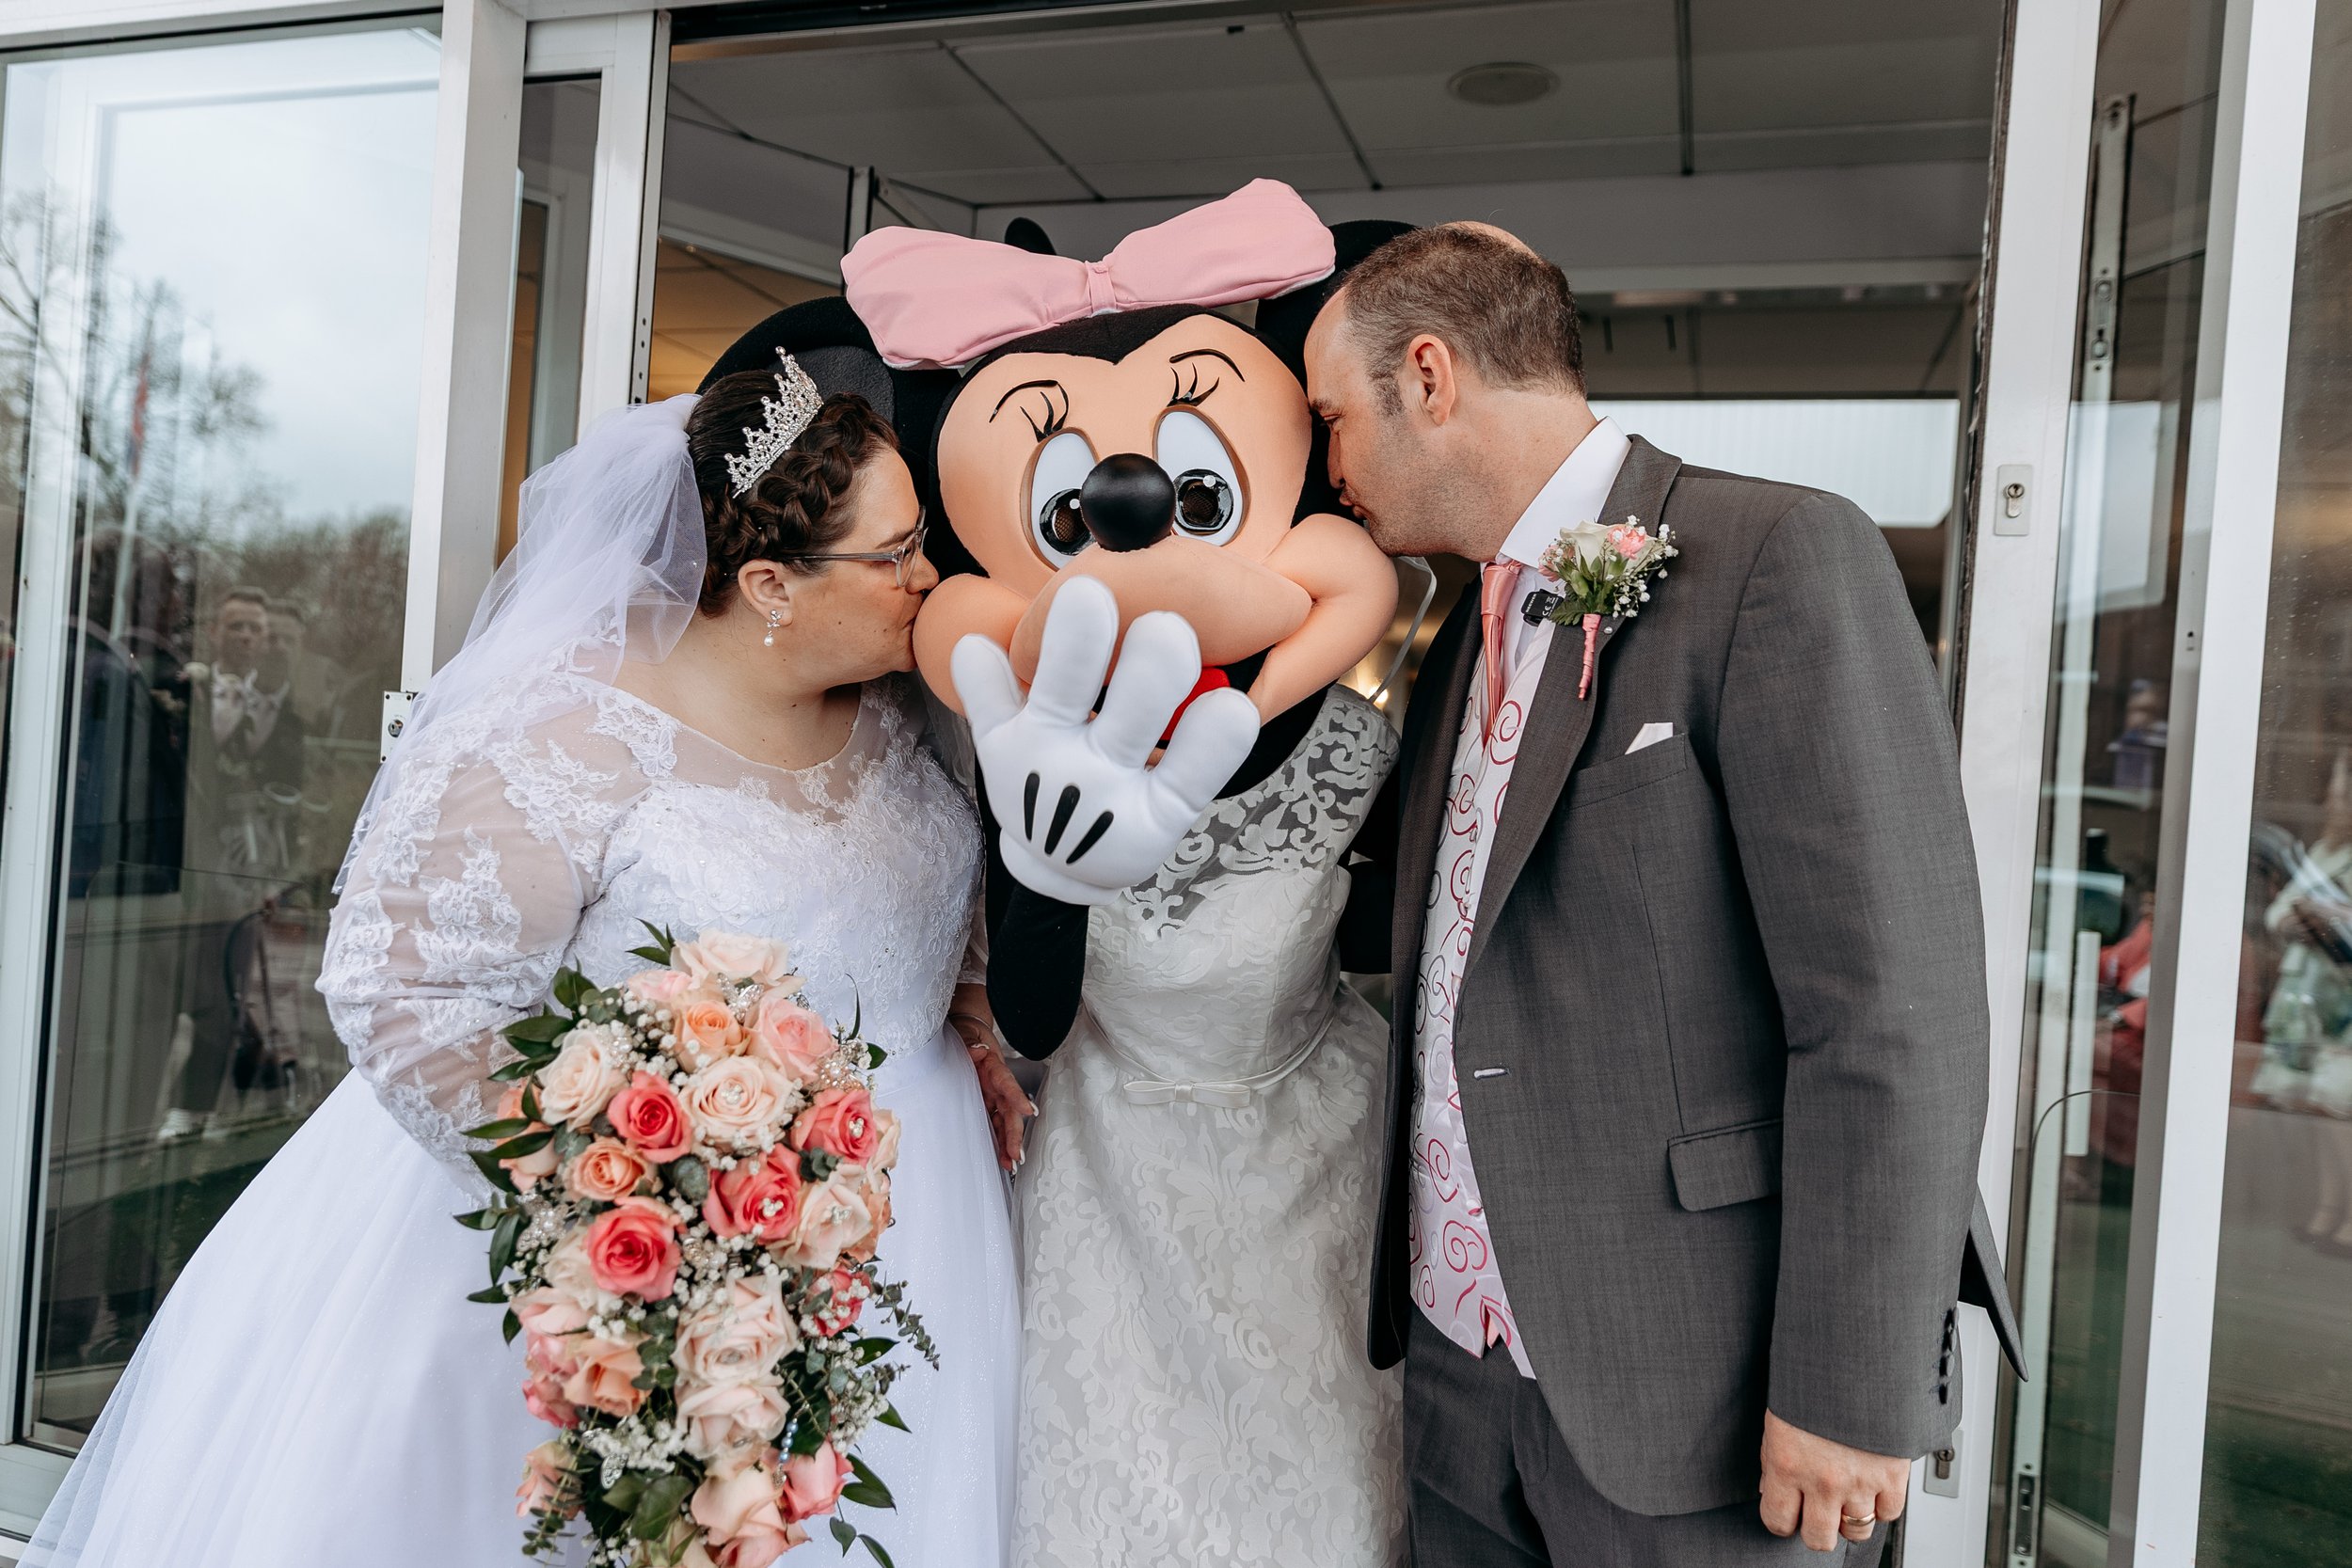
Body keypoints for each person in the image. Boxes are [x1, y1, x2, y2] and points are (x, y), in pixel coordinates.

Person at [24, 371, 1027, 1567]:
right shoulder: (561, 738)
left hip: (916, 1213)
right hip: (641, 1225)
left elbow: (927, 893)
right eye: (897, 550)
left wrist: (962, 1012)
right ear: (769, 585)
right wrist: (624, 1194)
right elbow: (404, 995)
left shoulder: (914, 706)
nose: (928, 574)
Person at [1300, 223, 2025, 1566]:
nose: (1327, 466)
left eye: (1334, 418)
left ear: (1430, 375)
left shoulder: (1779, 558)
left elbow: (1892, 1011)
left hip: (1699, 1393)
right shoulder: (1456, 626)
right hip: (1460, 1381)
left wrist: (1849, 1387)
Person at [157, 586, 308, 1141]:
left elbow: (292, 797)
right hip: (179, 865)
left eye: (257, 631)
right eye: (238, 627)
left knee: (225, 991)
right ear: (216, 632)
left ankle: (196, 1109)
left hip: (239, 876)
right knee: (164, 989)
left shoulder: (282, 714)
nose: (248, 638)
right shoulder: (181, 691)